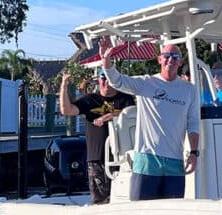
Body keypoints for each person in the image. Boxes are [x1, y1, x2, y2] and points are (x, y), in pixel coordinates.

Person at [99, 37, 200, 200]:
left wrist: (194, 153)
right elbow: (117, 81)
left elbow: (193, 122)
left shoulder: (190, 90)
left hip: (175, 162)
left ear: (180, 62)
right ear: (159, 59)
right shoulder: (147, 83)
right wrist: (106, 61)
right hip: (147, 161)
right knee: (140, 212)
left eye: (175, 57)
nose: (170, 60)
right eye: (166, 55)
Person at [59, 70, 135, 203]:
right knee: (100, 201)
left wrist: (111, 116)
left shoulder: (126, 99)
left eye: (110, 79)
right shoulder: (90, 100)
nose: (107, 82)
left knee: (124, 199)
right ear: (98, 80)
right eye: (103, 79)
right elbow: (67, 110)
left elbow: (136, 116)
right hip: (97, 158)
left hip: (123, 158)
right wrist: (64, 86)